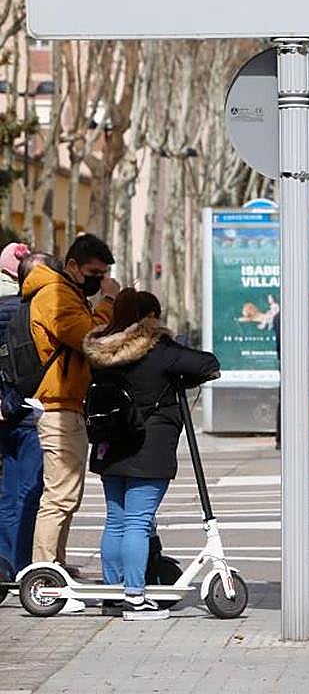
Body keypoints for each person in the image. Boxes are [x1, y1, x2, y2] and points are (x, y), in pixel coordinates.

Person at [82, 289, 220, 618]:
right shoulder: (158, 349)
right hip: (149, 446)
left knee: (116, 521)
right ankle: (134, 596)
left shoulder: (100, 350)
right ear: (149, 318)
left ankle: (113, 593)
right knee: (138, 522)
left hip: (110, 445)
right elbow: (207, 363)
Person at [26, 233, 119, 576]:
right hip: (57, 406)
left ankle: (56, 566)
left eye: (104, 273)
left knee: (67, 495)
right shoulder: (54, 294)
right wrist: (108, 302)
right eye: (94, 272)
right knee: (59, 497)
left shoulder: (67, 293)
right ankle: (44, 572)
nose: (99, 279)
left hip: (68, 403)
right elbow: (87, 339)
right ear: (72, 267)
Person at [0, 251, 55, 580]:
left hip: (9, 408)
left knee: (8, 492)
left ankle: (5, 563)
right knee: (28, 490)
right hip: (27, 409)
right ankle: (21, 566)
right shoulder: (29, 307)